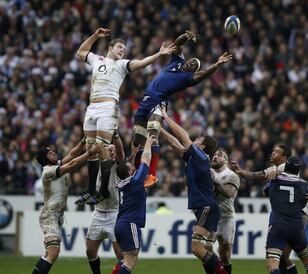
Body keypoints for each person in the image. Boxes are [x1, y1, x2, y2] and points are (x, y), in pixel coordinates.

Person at [75, 28, 175, 205]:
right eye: (120, 47)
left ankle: (103, 190)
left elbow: (142, 63)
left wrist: (158, 54)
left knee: (102, 146)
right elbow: (81, 52)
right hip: (92, 107)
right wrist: (95, 36)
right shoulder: (97, 60)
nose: (122, 51)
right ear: (110, 48)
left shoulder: (122, 65)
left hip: (108, 107)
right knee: (90, 149)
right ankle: (91, 189)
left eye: (124, 49)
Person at [132, 30, 232, 188]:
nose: (192, 64)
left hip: (159, 103)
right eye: (192, 61)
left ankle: (151, 174)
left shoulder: (188, 79)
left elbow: (204, 74)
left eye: (194, 66)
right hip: (145, 101)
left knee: (153, 134)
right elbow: (177, 44)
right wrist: (186, 37)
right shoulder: (177, 61)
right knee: (138, 138)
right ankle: (137, 170)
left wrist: (217, 65)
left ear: (194, 71)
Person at [160, 108, 228, 274]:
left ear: (202, 146)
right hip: (206, 207)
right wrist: (159, 129)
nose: (195, 139)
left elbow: (182, 136)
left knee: (196, 249)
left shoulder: (200, 156)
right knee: (206, 249)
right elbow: (175, 144)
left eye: (198, 139)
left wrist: (166, 117)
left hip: (206, 207)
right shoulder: (194, 157)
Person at [230, 144, 303, 274]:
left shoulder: (279, 168)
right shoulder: (289, 171)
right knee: (283, 258)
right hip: (295, 217)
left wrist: (243, 173)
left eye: (276, 152)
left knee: (274, 258)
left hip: (286, 218)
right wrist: (241, 172)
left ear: (284, 158)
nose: (272, 153)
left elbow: (258, 176)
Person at [32, 139, 97, 274]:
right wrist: (89, 153)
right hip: (49, 216)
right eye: (50, 153)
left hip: (56, 216)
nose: (54, 153)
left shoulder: (55, 166)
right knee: (53, 252)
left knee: (48, 254)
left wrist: (84, 141)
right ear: (45, 158)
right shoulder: (48, 171)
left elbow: (72, 155)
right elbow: (72, 164)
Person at [265, 156, 308, 274]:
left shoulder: (275, 180)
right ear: (298, 170)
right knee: (307, 260)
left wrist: (273, 176)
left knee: (273, 263)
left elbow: (265, 191)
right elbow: (303, 202)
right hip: (296, 225)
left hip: (278, 224)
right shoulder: (304, 184)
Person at [113, 135, 157, 274]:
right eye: (131, 167)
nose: (133, 166)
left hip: (120, 224)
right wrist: (149, 142)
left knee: (126, 259)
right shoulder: (134, 182)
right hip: (130, 223)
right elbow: (146, 159)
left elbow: (124, 168)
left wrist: (133, 153)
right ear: (130, 172)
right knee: (130, 260)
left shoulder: (121, 184)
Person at [85, 132, 125, 274]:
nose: (112, 152)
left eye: (113, 150)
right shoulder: (99, 165)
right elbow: (91, 156)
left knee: (121, 255)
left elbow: (120, 153)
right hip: (98, 213)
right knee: (90, 251)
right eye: (109, 150)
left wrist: (116, 137)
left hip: (114, 214)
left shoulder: (118, 166)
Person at [211, 148, 241, 274]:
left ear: (226, 161)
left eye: (220, 155)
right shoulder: (207, 172)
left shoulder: (232, 176)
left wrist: (215, 181)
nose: (215, 157)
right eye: (214, 155)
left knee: (225, 254)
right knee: (204, 247)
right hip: (210, 215)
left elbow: (229, 193)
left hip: (226, 217)